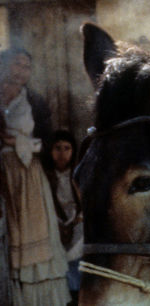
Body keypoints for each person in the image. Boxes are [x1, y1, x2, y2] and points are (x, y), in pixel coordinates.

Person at [0, 47, 71, 306]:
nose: (21, 71)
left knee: (30, 233)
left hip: (26, 174)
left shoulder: (35, 102)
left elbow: (47, 140)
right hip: (1, 173)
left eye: (26, 67)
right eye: (16, 64)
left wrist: (18, 141)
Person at [44, 130, 83, 303]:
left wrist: (77, 219)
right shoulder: (46, 176)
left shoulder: (78, 174)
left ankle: (77, 294)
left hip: (77, 222)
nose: (62, 153)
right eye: (57, 148)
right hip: (54, 222)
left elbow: (85, 202)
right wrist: (58, 223)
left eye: (67, 148)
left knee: (77, 250)